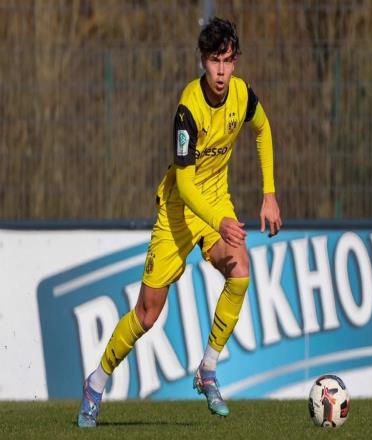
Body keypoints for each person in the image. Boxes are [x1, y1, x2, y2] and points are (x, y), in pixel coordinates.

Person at [77, 17, 282, 428]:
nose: (221, 71)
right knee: (147, 315)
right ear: (202, 61)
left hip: (215, 203)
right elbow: (186, 185)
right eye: (214, 61)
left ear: (235, 61)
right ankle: (96, 383)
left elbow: (262, 129)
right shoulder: (188, 109)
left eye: (228, 61)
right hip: (178, 211)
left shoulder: (242, 95)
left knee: (240, 270)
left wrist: (269, 193)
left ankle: (208, 369)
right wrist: (220, 221)